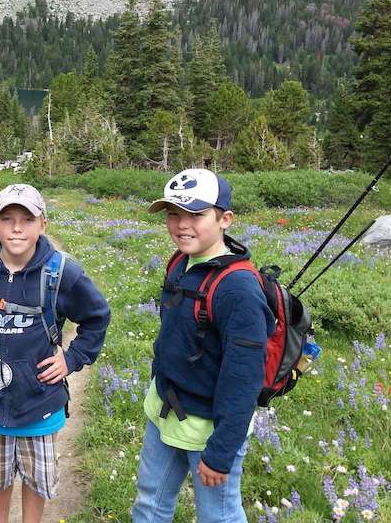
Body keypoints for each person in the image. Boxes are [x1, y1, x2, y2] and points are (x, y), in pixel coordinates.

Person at [0, 183, 110, 523]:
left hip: (39, 402)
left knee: (37, 479)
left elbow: (97, 317)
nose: (16, 228)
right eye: (7, 219)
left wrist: (72, 359)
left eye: (27, 219)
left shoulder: (62, 272)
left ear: (42, 225)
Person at [132, 168, 275, 523]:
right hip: (165, 410)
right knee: (149, 503)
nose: (182, 225)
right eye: (173, 213)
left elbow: (244, 379)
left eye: (195, 214)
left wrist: (221, 452)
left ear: (225, 219)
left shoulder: (239, 289)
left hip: (210, 429)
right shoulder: (180, 261)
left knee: (218, 515)